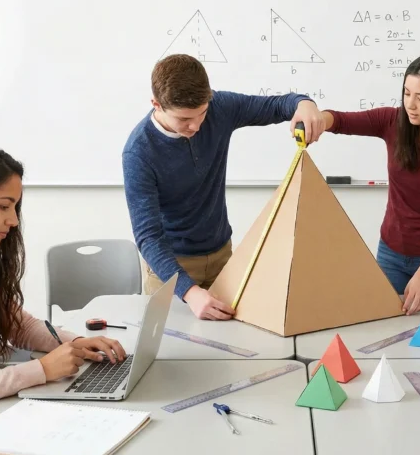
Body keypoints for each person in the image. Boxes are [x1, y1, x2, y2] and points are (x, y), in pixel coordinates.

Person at [122, 54, 324, 321]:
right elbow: (148, 236)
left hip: (222, 258)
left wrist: (304, 102)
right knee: (175, 354)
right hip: (170, 269)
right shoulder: (138, 152)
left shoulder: (220, 107)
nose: (195, 125)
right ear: (156, 104)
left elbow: (277, 106)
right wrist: (189, 291)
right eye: (184, 119)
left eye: (201, 113)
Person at [0, 142, 127, 433]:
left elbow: (17, 325)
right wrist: (40, 370)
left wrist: (72, 342)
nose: (14, 221)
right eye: (3, 206)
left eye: (15, 208)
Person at [318, 53, 420, 315]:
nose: (411, 105)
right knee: (384, 330)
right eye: (406, 93)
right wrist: (318, 119)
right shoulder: (392, 122)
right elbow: (341, 120)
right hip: (390, 255)